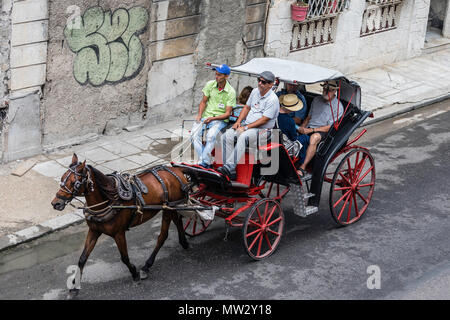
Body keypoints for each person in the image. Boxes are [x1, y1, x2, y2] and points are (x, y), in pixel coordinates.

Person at [218, 71, 279, 179]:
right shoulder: (255, 91)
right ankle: (228, 169)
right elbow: (246, 107)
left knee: (244, 136)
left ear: (270, 84)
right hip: (247, 125)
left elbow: (264, 120)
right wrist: (238, 122)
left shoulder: (273, 99)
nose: (260, 83)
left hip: (263, 130)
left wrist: (245, 127)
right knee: (225, 136)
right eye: (259, 80)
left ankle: (229, 166)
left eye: (263, 82)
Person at [191, 64, 236, 169]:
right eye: (216, 74)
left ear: (226, 76)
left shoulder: (231, 92)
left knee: (210, 136)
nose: (216, 77)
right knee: (193, 136)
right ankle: (207, 159)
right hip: (205, 117)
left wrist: (213, 118)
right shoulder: (210, 84)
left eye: (219, 75)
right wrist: (199, 115)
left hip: (220, 120)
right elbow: (203, 102)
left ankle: (203, 162)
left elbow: (227, 113)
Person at [297, 80, 344, 176]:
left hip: (324, 131)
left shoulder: (338, 106)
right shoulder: (316, 100)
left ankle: (303, 167)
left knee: (314, 137)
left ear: (335, 91)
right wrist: (302, 127)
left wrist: (312, 130)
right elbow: (309, 117)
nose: (326, 92)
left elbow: (331, 127)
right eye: (325, 89)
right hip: (310, 127)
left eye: (330, 90)